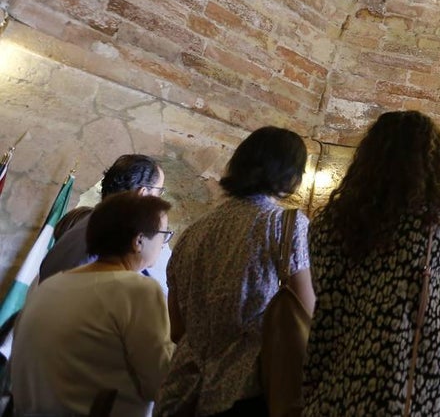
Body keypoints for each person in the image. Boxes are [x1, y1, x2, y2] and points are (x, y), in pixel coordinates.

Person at [303, 111, 440, 416]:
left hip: (333, 379)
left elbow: (321, 292)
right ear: (432, 163)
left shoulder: (326, 222)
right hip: (406, 385)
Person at [159, 126, 313, 417]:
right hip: (246, 390)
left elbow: (176, 328)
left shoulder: (195, 231)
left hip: (182, 390)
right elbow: (305, 313)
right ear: (292, 174)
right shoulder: (286, 226)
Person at [13, 193, 174, 417]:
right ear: (138, 241)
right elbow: (162, 382)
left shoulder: (51, 285)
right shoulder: (138, 291)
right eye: (164, 235)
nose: (165, 244)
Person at [40, 154, 169, 290]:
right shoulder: (118, 238)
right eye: (159, 192)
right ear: (142, 194)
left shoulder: (89, 223)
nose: (160, 202)